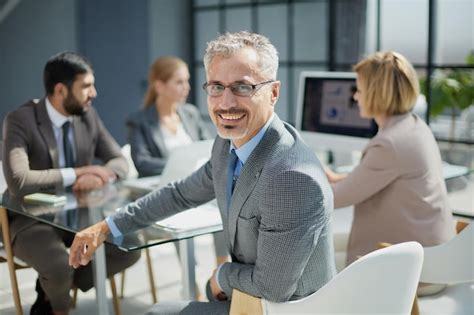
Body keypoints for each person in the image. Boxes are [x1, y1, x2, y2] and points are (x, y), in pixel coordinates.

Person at [69, 31, 336, 314]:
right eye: (216, 87)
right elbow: (181, 194)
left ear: (273, 93)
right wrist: (108, 226)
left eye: (243, 87)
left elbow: (273, 288)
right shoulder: (227, 143)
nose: (226, 103)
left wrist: (221, 276)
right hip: (250, 298)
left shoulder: (291, 177)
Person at [2, 51, 141, 315]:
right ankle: (58, 300)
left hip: (80, 216)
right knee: (57, 266)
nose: (94, 93)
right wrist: (76, 173)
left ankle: (52, 290)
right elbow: (19, 180)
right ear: (60, 90)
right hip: (29, 220)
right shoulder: (20, 120)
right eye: (86, 86)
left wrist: (102, 174)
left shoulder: (87, 116)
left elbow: (119, 161)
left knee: (129, 247)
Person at [325, 51, 456, 266]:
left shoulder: (389, 144)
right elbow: (378, 176)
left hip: (416, 268)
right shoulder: (413, 126)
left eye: (359, 90)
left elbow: (333, 200)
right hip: (434, 252)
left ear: (377, 94)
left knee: (317, 271)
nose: (355, 97)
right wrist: (338, 177)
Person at [126, 56, 228, 266]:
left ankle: (221, 267)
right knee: (176, 209)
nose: (187, 87)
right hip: (160, 190)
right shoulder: (139, 121)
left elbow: (209, 148)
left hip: (195, 184)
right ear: (159, 86)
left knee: (223, 200)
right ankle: (192, 283)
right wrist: (179, 168)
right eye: (179, 82)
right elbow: (142, 162)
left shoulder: (189, 114)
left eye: (187, 81)